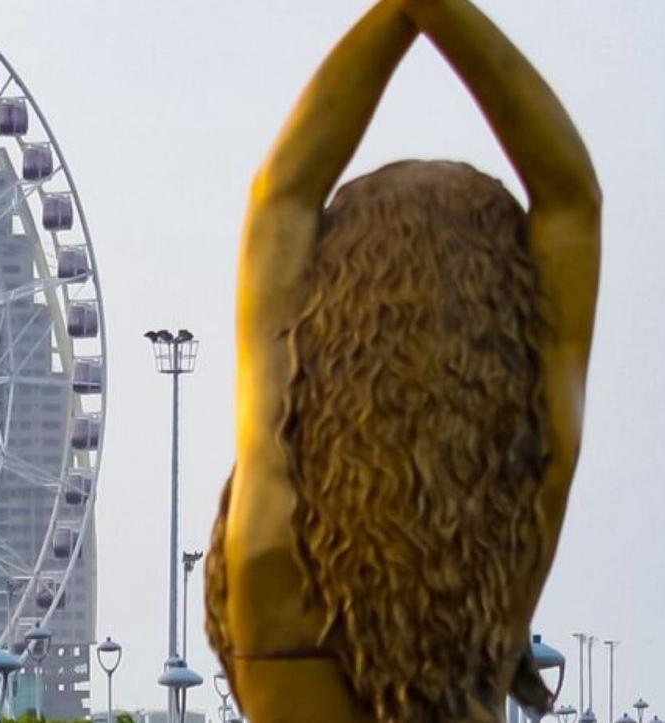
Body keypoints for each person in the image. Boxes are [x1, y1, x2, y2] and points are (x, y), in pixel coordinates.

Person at [204, 0, 601, 720]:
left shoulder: (276, 477)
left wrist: (400, 12)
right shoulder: (512, 510)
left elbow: (280, 195)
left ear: (329, 298)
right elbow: (571, 199)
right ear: (502, 321)